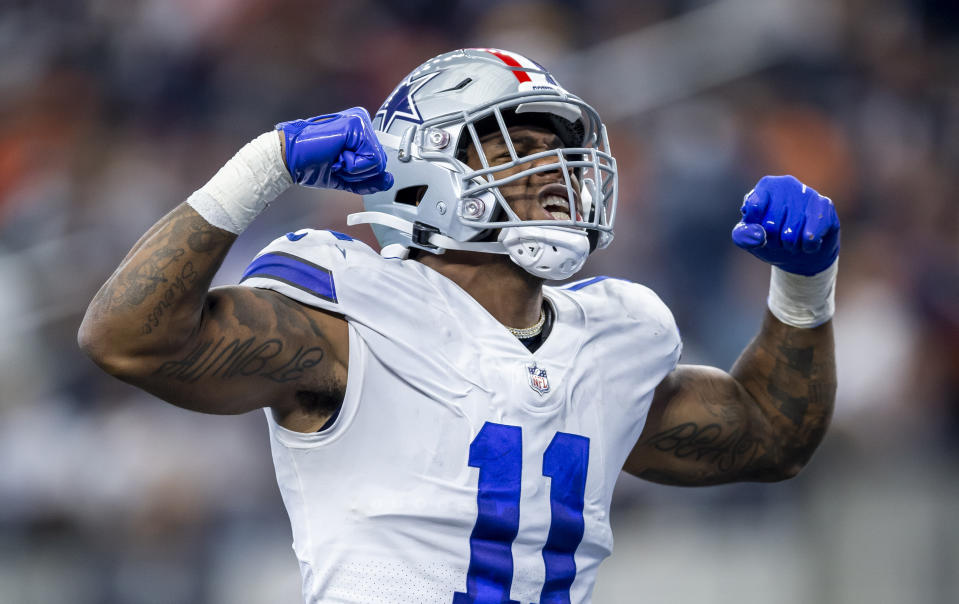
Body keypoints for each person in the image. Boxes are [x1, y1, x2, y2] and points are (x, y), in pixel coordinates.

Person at [79, 48, 838, 603]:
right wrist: (260, 168)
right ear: (426, 171)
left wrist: (802, 290)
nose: (554, 172)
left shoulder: (613, 335)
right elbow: (125, 339)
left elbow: (769, 439)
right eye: (516, 146)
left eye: (559, 150)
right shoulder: (347, 313)